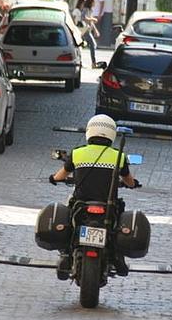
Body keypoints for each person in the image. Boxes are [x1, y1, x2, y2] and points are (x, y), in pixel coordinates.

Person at [49, 114, 139, 277]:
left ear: (90, 131)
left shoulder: (77, 153)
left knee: (69, 216)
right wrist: (133, 184)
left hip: (81, 204)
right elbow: (128, 180)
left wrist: (53, 178)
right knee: (119, 215)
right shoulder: (118, 156)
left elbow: (61, 175)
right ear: (112, 133)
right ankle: (118, 255)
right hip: (108, 205)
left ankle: (65, 253)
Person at [81, 0, 100, 68]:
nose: (94, 3)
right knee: (93, 44)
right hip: (85, 30)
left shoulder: (90, 10)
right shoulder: (86, 9)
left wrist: (95, 30)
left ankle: (91, 62)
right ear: (90, 2)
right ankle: (93, 63)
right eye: (93, 2)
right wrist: (92, 18)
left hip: (88, 30)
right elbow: (83, 17)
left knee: (83, 45)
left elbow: (91, 22)